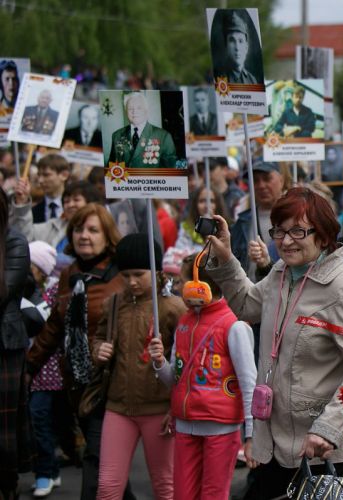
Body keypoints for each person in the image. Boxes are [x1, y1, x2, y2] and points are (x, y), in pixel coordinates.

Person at [205, 187, 343, 499]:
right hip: (274, 442)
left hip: (321, 450)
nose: (285, 241)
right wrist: (226, 257)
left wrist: (328, 429)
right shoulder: (281, 272)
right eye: (279, 231)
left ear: (323, 236)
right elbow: (246, 305)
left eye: (298, 231)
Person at [26, 204, 130, 500]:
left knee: (96, 459)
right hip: (77, 384)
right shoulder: (69, 274)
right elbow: (55, 326)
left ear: (107, 235)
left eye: (93, 230)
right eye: (79, 229)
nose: (84, 236)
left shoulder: (121, 274)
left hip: (113, 384)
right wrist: (30, 368)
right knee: (111, 466)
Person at [149, 252, 257, 500]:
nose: (176, 287)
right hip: (185, 425)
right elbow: (174, 380)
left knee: (213, 495)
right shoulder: (185, 322)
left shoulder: (235, 325)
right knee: (183, 495)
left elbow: (249, 383)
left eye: (182, 282)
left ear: (200, 286)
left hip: (221, 427)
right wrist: (159, 363)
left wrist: (251, 436)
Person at [93, 234, 186, 500]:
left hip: (159, 409)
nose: (131, 282)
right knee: (108, 488)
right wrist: (98, 350)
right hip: (118, 407)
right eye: (126, 275)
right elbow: (99, 338)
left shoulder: (173, 307)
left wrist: (175, 407)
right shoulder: (114, 303)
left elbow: (186, 362)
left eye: (138, 274)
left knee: (166, 486)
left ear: (156, 271)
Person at [0, 189, 32, 500]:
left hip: (4, 346)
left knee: (4, 430)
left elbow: (5, 291)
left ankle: (7, 485)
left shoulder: (14, 241)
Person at [25, 241, 62, 498]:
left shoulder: (53, 291)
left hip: (48, 369)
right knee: (38, 421)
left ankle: (44, 473)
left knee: (40, 420)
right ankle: (53, 468)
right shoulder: (22, 289)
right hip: (27, 365)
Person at [229, 161, 284, 277]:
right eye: (255, 181)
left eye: (267, 178)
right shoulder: (243, 222)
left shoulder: (296, 218)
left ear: (281, 180)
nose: (261, 185)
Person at [107, 92, 178, 168]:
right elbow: (111, 166)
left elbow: (170, 171)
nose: (134, 112)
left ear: (146, 110)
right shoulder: (116, 135)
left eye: (139, 108)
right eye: (130, 108)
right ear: (126, 111)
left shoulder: (164, 136)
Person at [175, 185, 229, 255]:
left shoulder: (227, 227)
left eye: (211, 201)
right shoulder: (187, 227)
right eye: (202, 201)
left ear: (218, 204)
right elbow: (180, 252)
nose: (207, 206)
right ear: (195, 204)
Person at [213, 10, 259, 84]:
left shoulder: (252, 80)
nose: (237, 47)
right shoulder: (218, 79)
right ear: (226, 46)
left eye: (240, 41)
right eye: (232, 41)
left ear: (246, 48)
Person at [32, 153, 71, 223]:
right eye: (39, 175)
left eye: (46, 175)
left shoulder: (75, 208)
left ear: (64, 175)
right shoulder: (33, 212)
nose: (40, 180)